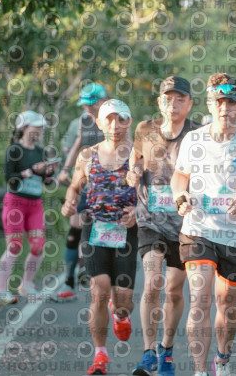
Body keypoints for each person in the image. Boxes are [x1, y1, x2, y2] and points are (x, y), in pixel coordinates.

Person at [171, 73, 236, 376]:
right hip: (198, 230)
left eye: (231, 102)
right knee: (200, 299)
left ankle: (223, 358)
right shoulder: (194, 140)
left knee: (226, 306)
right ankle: (200, 371)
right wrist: (180, 196)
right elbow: (180, 176)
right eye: (219, 102)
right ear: (209, 104)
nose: (225, 108)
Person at [127, 76, 200, 376]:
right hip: (150, 219)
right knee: (153, 280)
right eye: (168, 99)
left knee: (174, 289)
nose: (173, 104)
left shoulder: (198, 134)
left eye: (180, 99)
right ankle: (148, 353)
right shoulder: (145, 129)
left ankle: (166, 350)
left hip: (185, 223)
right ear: (160, 102)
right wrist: (132, 172)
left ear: (189, 103)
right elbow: (135, 159)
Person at [61, 99, 137, 375]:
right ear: (99, 122)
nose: (115, 125)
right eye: (109, 119)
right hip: (94, 229)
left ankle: (120, 314)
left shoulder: (139, 155)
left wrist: (138, 211)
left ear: (129, 121)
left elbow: (151, 191)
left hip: (126, 232)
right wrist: (69, 201)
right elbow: (74, 187)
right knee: (99, 289)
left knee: (124, 302)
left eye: (121, 119)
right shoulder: (87, 155)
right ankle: (100, 355)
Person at [53, 83, 108, 301]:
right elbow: (78, 145)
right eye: (84, 105)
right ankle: (69, 280)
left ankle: (98, 276)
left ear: (102, 101)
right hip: (83, 178)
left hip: (107, 184)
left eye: (90, 104)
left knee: (98, 230)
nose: (87, 108)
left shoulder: (113, 119)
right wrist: (65, 169)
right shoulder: (84, 121)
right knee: (75, 230)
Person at [0, 111, 58, 305]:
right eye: (36, 127)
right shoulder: (14, 150)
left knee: (38, 246)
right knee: (14, 246)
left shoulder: (41, 151)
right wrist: (31, 171)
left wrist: (48, 175)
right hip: (15, 204)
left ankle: (27, 285)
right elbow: (10, 179)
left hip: (35, 205)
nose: (39, 131)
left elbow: (46, 181)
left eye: (41, 128)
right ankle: (2, 292)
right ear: (23, 128)